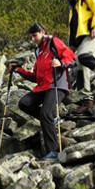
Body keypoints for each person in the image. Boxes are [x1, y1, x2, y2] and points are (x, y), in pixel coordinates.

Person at [10, 22, 76, 161]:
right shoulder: (38, 51)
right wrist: (18, 70)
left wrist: (60, 63)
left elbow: (71, 57)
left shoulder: (53, 42)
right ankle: (51, 120)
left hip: (58, 84)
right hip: (43, 86)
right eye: (31, 37)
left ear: (42, 32)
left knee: (45, 112)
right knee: (24, 103)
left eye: (35, 35)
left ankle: (53, 152)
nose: (32, 39)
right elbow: (35, 76)